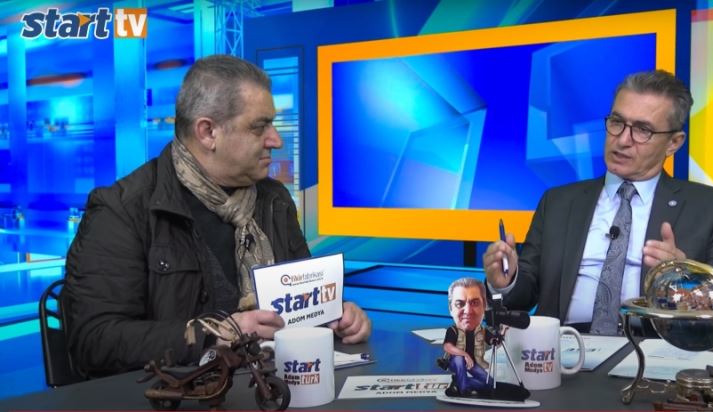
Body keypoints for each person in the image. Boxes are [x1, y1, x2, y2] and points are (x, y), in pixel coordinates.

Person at [63, 54, 371, 377]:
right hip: (180, 392)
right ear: (208, 132)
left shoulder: (274, 200)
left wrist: (336, 317)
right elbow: (95, 342)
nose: (276, 140)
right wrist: (216, 333)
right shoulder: (121, 211)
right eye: (259, 127)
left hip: (271, 384)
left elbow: (304, 304)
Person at [483, 69, 713, 334]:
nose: (622, 140)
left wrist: (685, 281)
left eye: (643, 130)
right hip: (564, 345)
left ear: (673, 143)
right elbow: (523, 295)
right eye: (617, 122)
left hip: (654, 348)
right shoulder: (558, 202)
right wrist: (505, 281)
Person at [442, 277, 493, 396]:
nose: (468, 311)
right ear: (450, 308)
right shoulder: (453, 330)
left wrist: (502, 333)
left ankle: (459, 383)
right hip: (457, 362)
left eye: (474, 303)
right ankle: (464, 390)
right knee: (458, 359)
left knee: (489, 383)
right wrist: (464, 354)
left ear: (484, 306)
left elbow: (494, 341)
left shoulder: (482, 331)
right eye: (459, 304)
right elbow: (447, 347)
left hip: (472, 363)